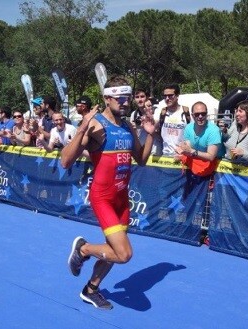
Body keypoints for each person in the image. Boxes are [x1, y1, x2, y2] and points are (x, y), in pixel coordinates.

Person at [61, 75, 155, 310]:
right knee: (123, 254)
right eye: (119, 98)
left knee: (112, 250)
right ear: (106, 98)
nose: (124, 102)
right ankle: (84, 248)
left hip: (122, 199)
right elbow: (65, 162)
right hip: (102, 197)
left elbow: (141, 160)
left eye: (127, 98)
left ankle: (91, 289)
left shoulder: (127, 126)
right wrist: (82, 127)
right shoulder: (95, 125)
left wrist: (151, 133)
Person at [155, 83, 191, 156]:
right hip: (165, 156)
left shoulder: (186, 112)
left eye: (170, 95)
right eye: (165, 96)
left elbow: (193, 135)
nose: (167, 98)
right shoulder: (161, 112)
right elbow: (155, 130)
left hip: (183, 157)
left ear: (177, 96)